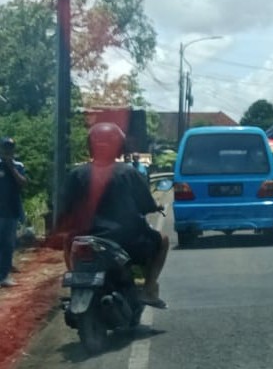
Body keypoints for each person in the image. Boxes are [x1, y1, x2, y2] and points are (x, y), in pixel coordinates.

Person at [56, 123, 169, 308]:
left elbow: (64, 207)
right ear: (120, 146)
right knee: (162, 241)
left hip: (84, 238)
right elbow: (146, 204)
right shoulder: (128, 172)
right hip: (126, 241)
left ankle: (77, 283)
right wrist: (154, 206)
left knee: (68, 241)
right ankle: (148, 289)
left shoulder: (76, 174)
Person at [0, 137, 28, 288]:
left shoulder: (18, 165)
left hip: (11, 210)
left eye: (10, 148)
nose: (7, 151)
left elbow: (23, 183)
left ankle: (3, 275)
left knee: (8, 244)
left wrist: (11, 168)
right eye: (5, 148)